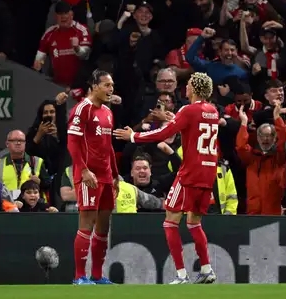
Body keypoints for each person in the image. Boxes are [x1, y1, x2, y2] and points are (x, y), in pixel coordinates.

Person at [114, 72, 218, 284]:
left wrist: (133, 136)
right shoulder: (213, 111)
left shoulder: (188, 110)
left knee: (170, 222)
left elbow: (162, 134)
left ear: (194, 88)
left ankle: (181, 275)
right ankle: (207, 269)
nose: (185, 87)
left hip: (189, 173)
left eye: (188, 84)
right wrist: (174, 118)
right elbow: (193, 126)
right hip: (208, 173)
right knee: (194, 222)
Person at [67, 70, 119, 285]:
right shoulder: (82, 109)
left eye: (112, 85)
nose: (111, 89)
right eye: (107, 85)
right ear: (94, 86)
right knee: (86, 223)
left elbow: (108, 146)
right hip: (89, 175)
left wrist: (115, 174)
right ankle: (79, 276)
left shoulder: (107, 112)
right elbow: (72, 143)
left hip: (106, 177)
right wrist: (84, 170)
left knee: (104, 227)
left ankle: (97, 275)